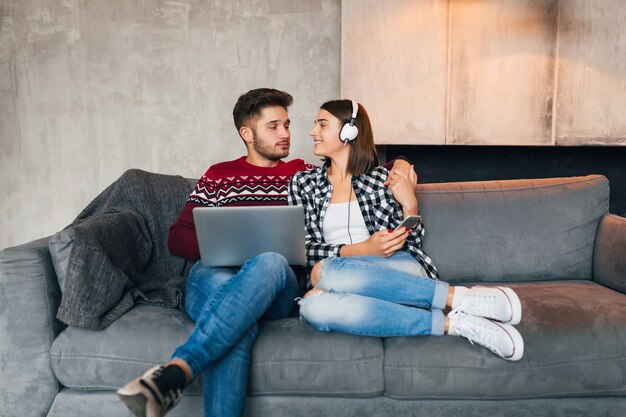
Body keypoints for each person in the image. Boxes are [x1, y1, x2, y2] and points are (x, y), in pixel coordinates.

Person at [116, 88, 415, 417]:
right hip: (213, 276)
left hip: (277, 281)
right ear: (248, 133)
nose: (286, 134)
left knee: (270, 261)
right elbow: (178, 236)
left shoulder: (302, 175)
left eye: (287, 125)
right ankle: (172, 376)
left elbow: (359, 167)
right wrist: (233, 249)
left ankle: (177, 370)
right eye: (274, 126)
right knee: (237, 321)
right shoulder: (218, 176)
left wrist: (400, 162)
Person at [288, 99, 524, 361]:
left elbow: (412, 241)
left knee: (322, 274)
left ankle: (457, 298)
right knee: (312, 306)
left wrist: (410, 205)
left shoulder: (382, 180)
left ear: (349, 132)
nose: (313, 132)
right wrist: (361, 249)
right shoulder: (303, 183)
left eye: (322, 125)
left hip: (396, 268)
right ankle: (456, 322)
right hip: (334, 278)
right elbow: (301, 249)